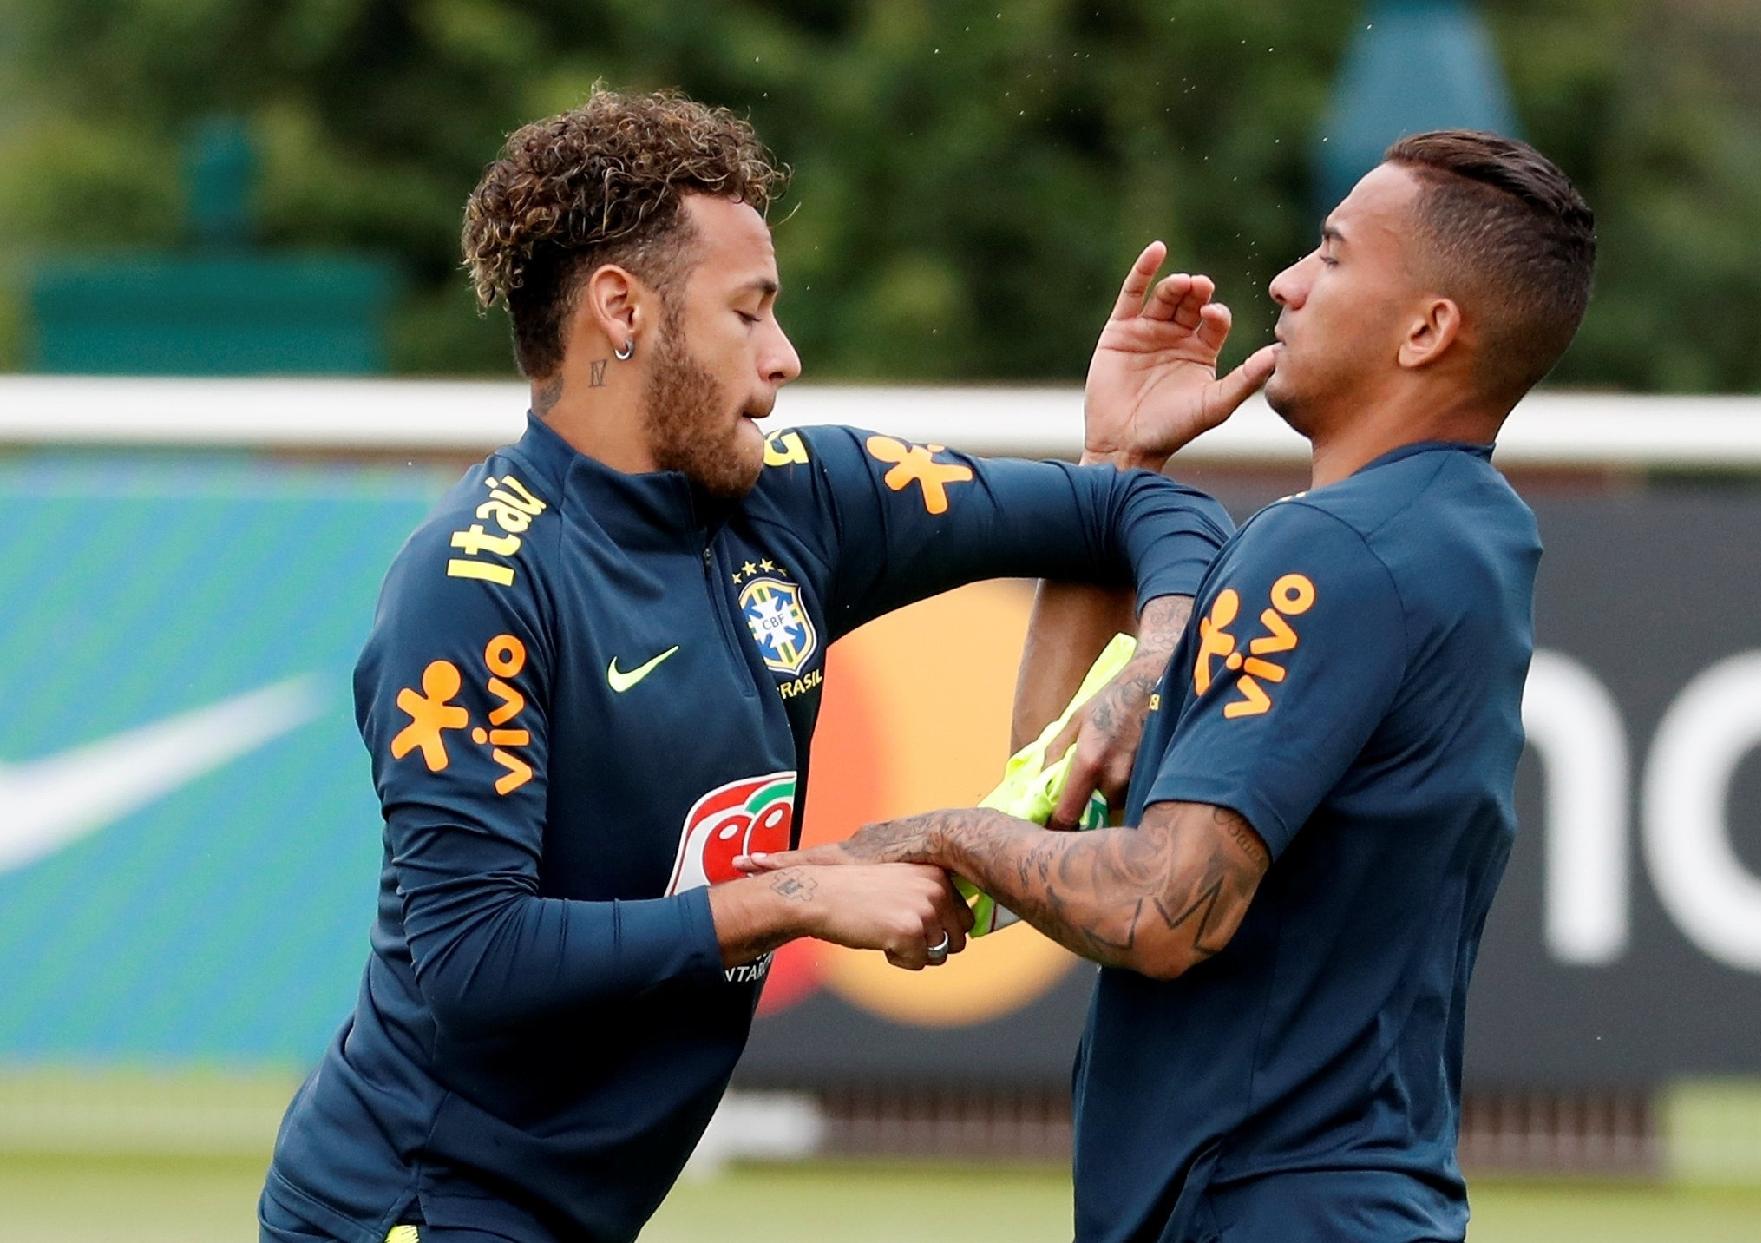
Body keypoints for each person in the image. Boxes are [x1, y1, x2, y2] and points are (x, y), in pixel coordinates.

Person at [257, 89, 1270, 1243]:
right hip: (412, 1209)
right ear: (621, 309)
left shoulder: (802, 498)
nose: (785, 357)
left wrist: (1155, 651)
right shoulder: (475, 582)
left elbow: (1146, 512)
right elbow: (473, 958)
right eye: (750, 312)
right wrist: (803, 890)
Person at [749, 130, 1597, 1242]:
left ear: (1429, 329)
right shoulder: (1467, 533)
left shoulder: (1336, 551)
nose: (1286, 283)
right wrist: (1115, 477)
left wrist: (924, 837)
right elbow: (1064, 790)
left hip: (1265, 1206)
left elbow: (1158, 906)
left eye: (1335, 258)